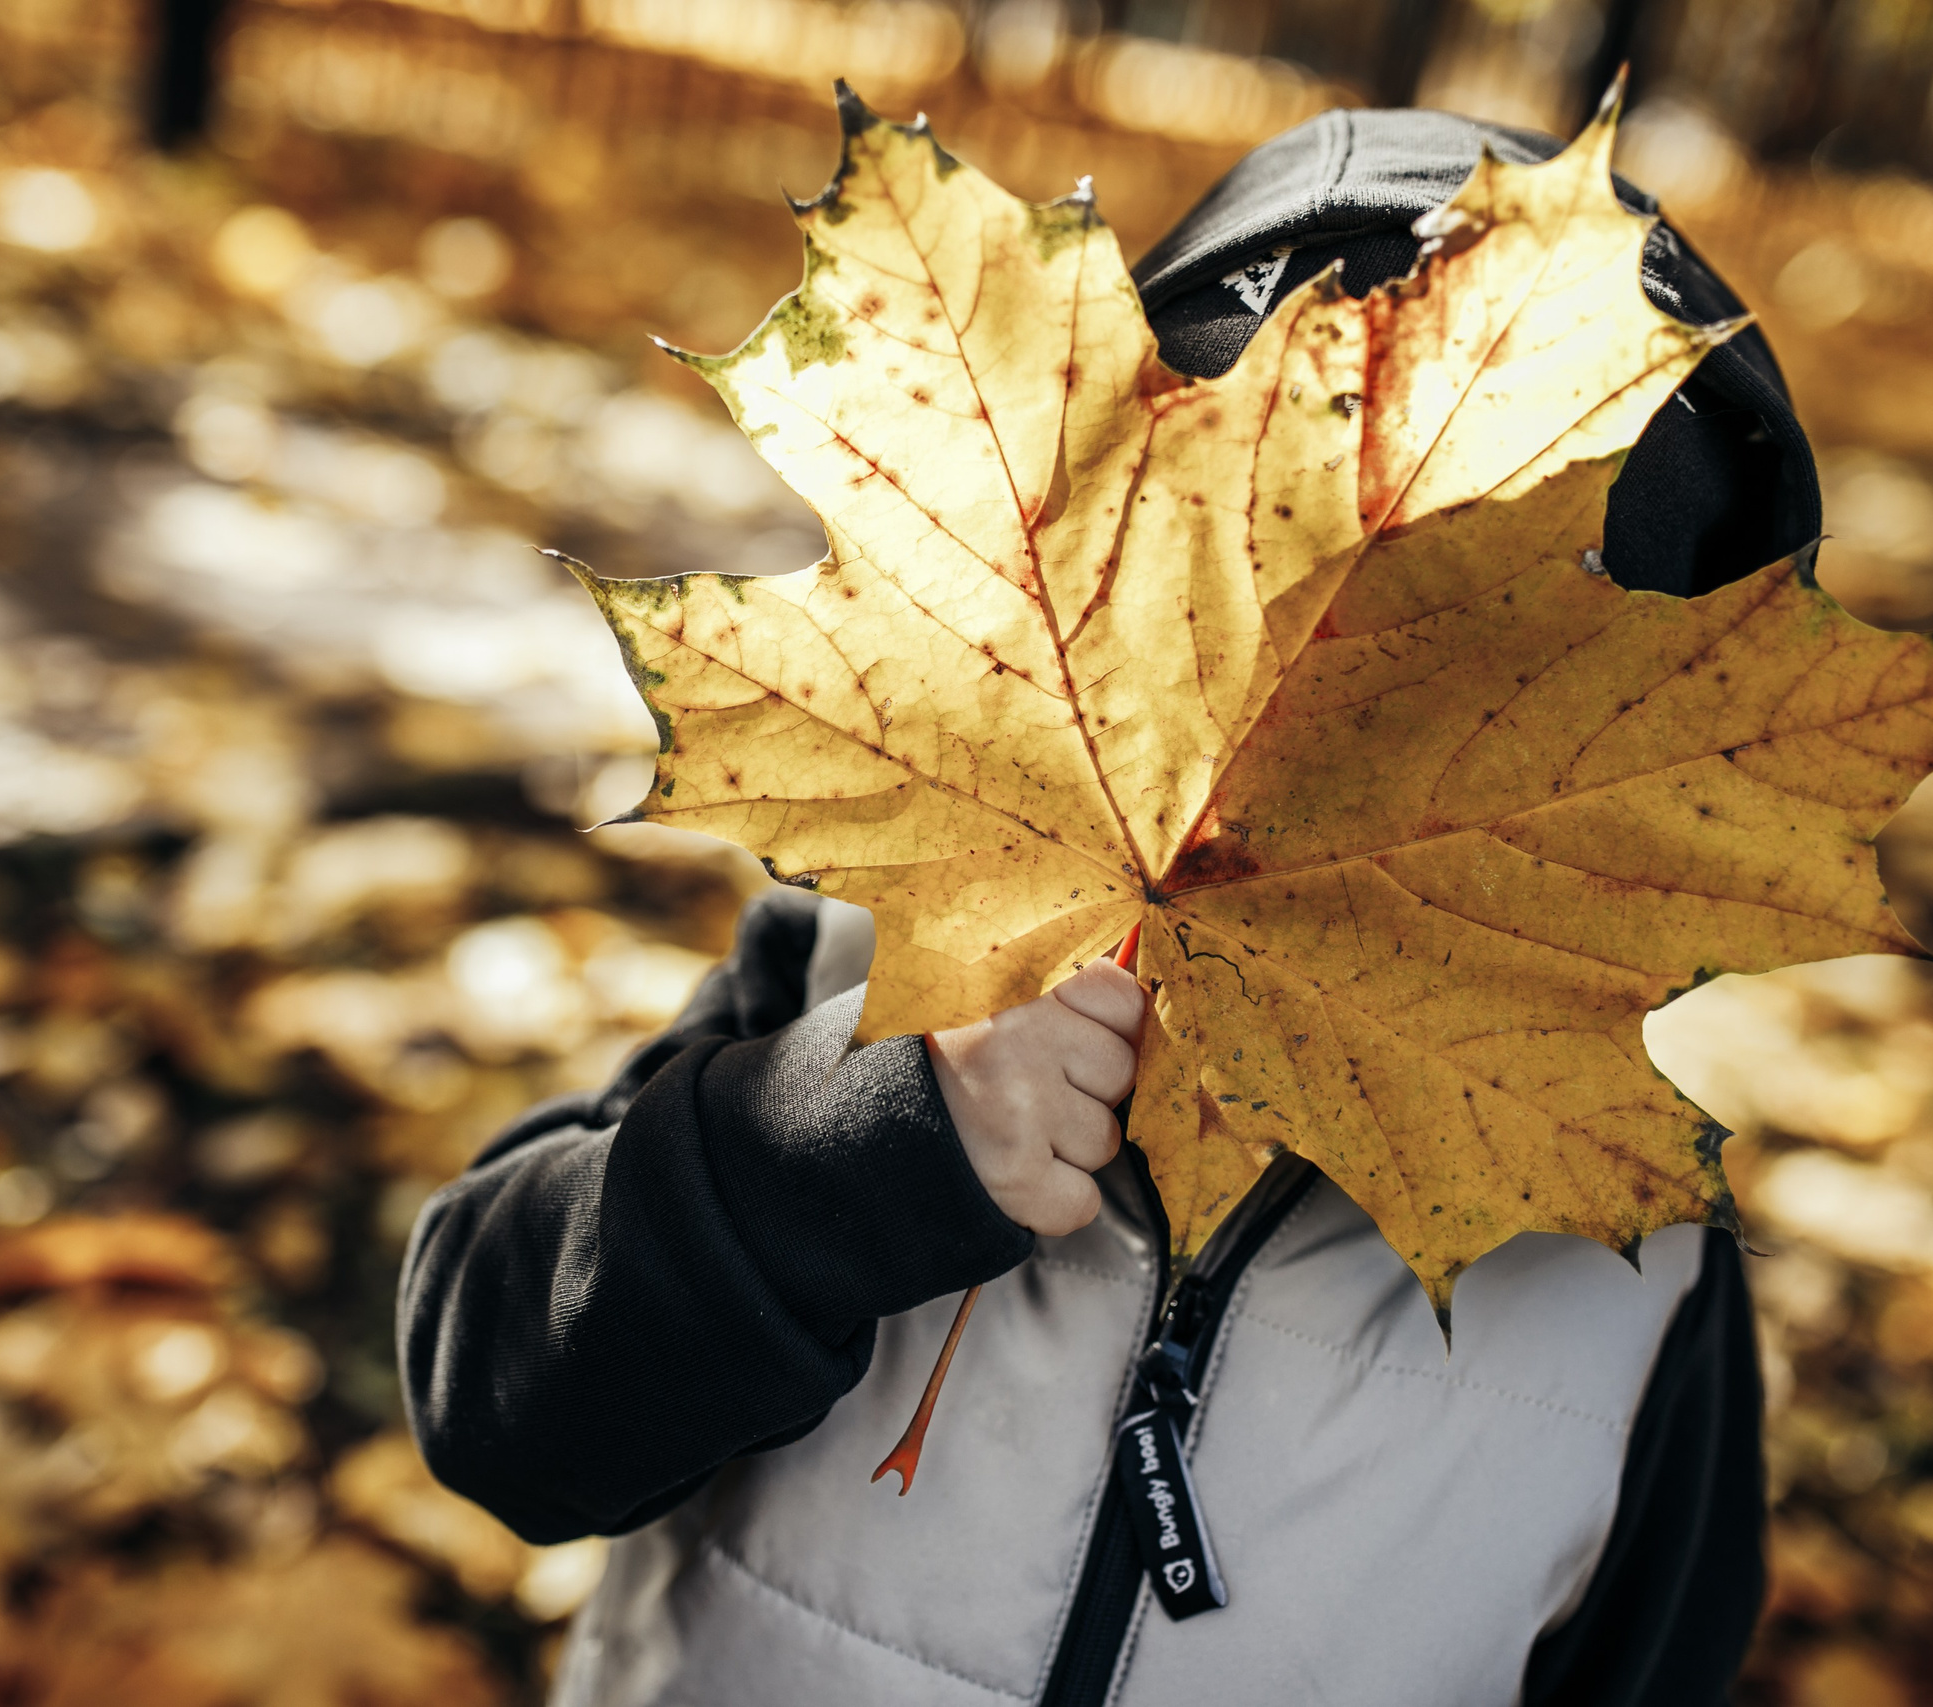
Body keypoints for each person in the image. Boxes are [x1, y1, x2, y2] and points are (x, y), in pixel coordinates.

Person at [399, 101, 1818, 1707]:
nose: (1275, 768)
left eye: (1435, 717)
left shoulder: (1621, 1275)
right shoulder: (854, 982)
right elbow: (500, 1417)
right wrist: (851, 1147)